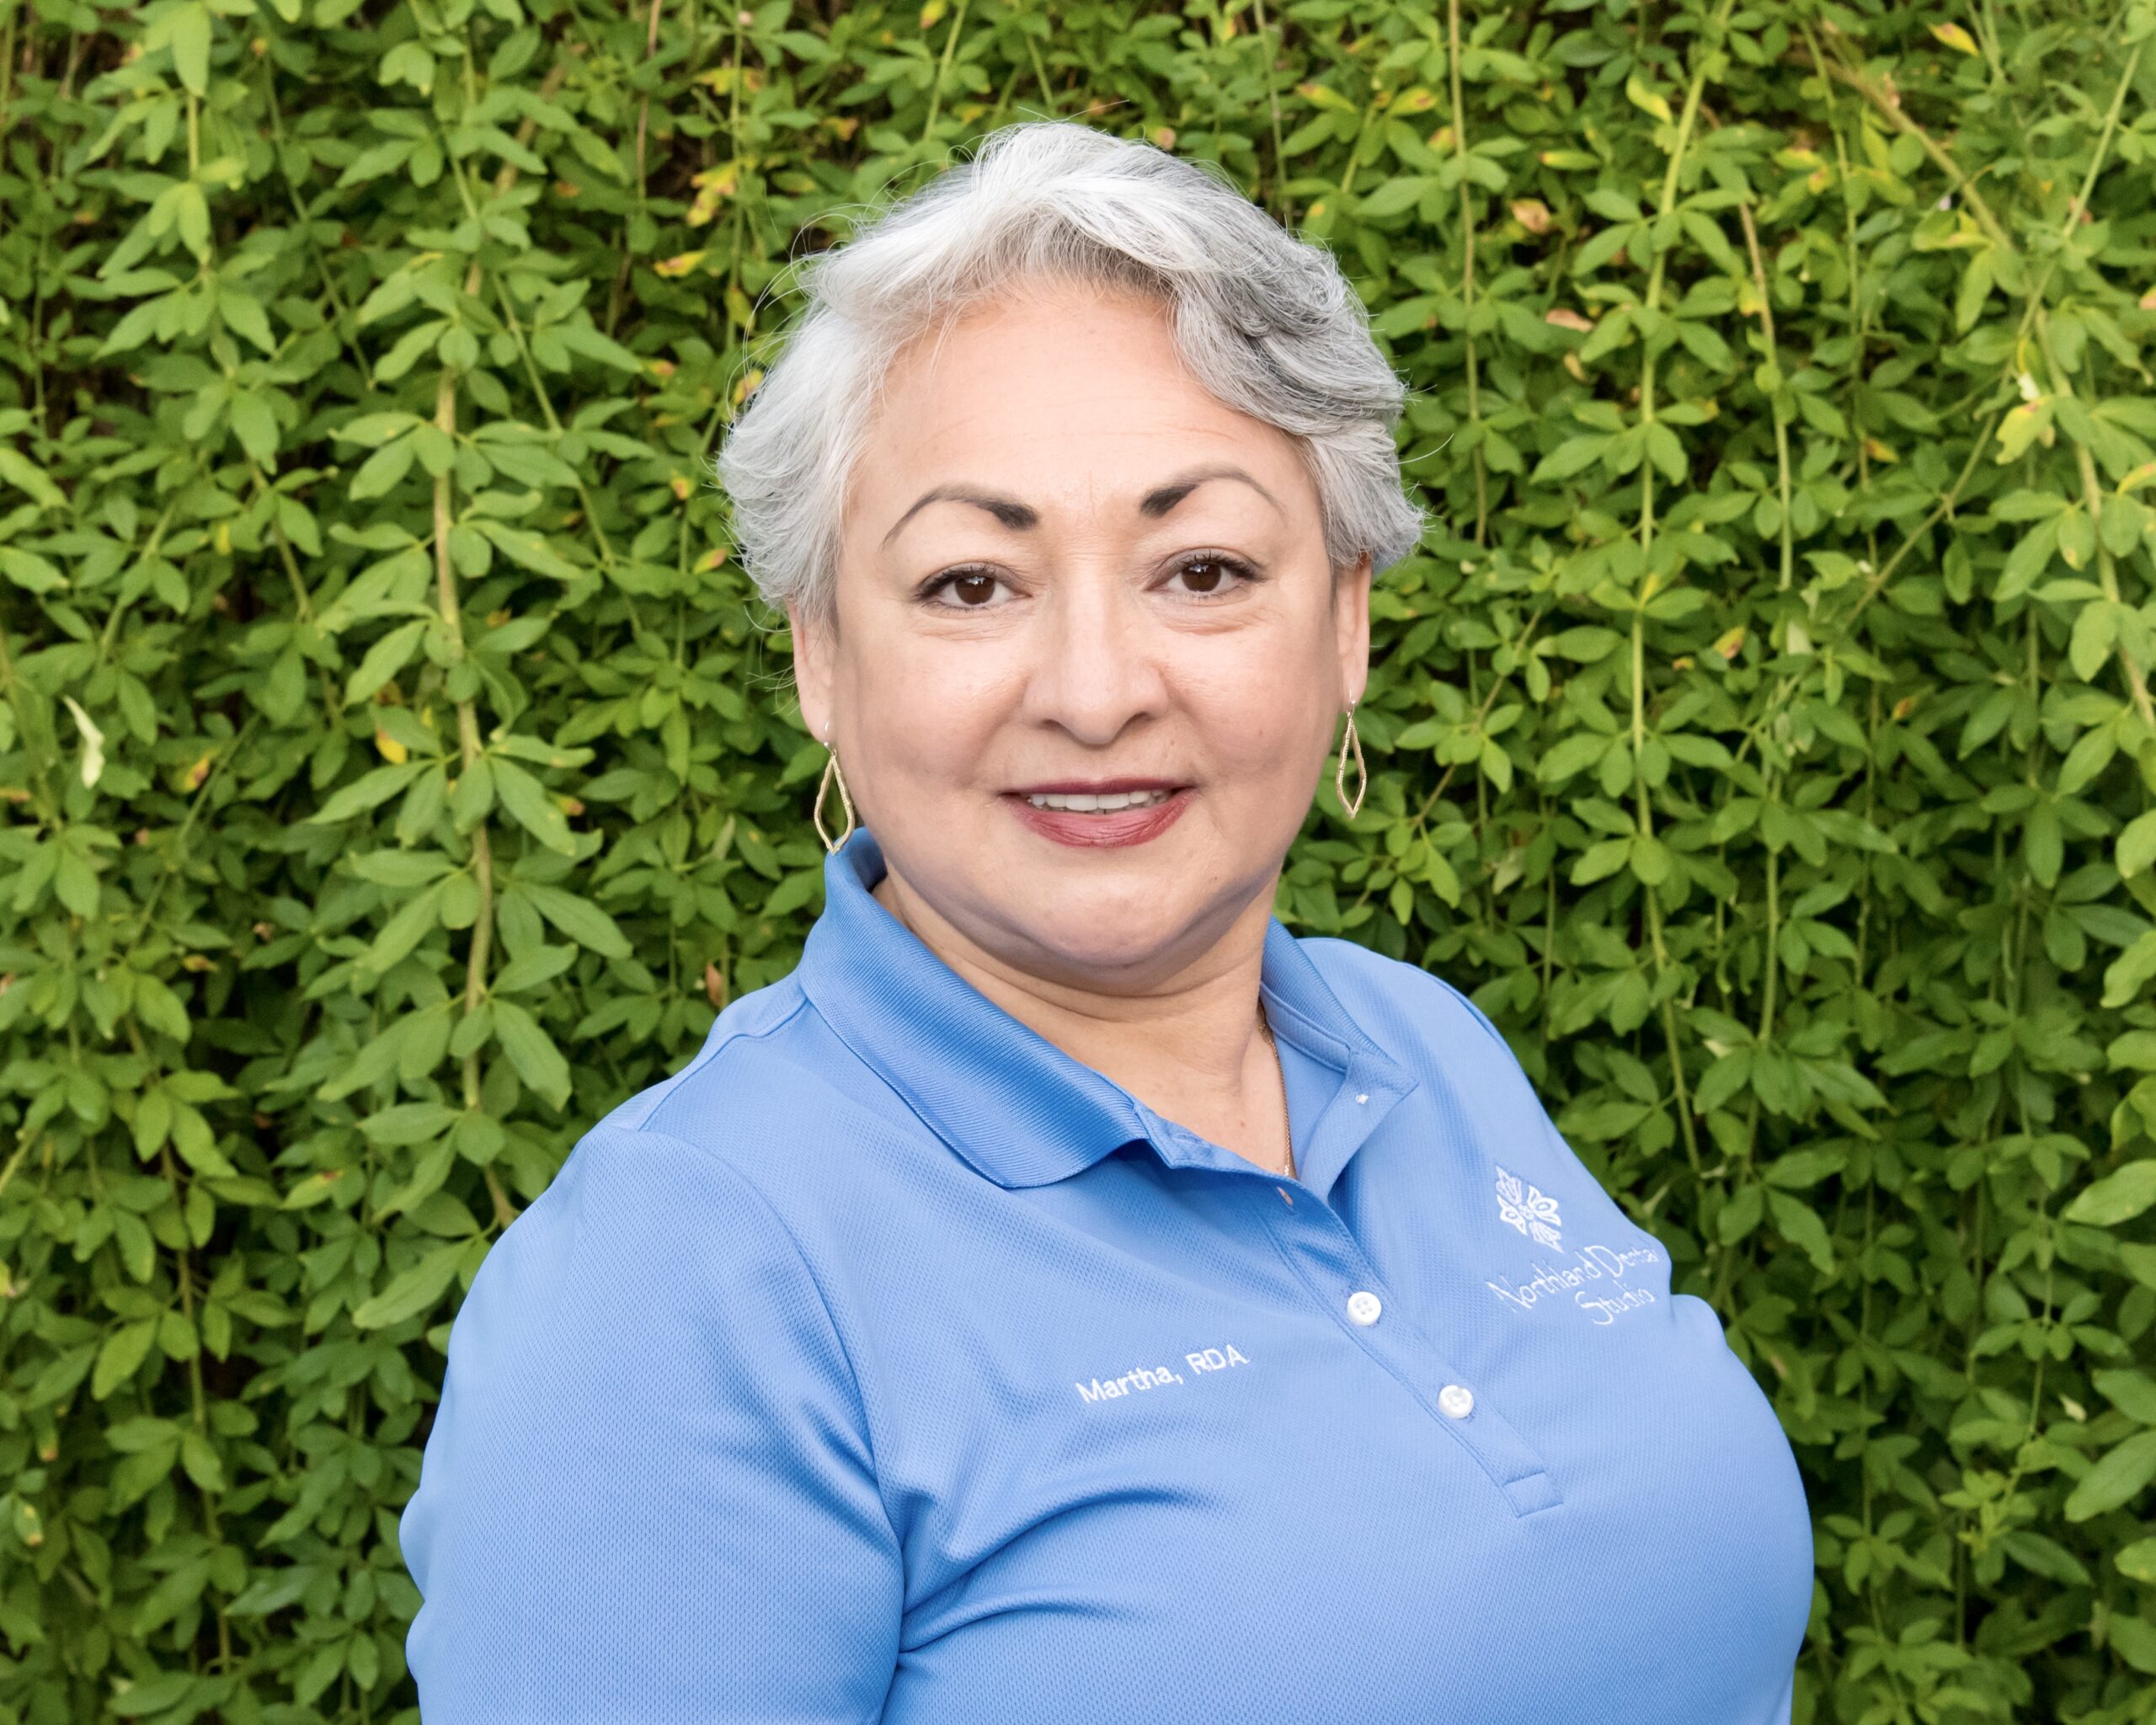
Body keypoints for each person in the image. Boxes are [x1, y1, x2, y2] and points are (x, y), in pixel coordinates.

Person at [397, 119, 1813, 1723]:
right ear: (820, 659)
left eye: (1201, 568)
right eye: (969, 585)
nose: (1094, 691)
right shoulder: (685, 1279)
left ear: (1345, 622)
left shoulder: (1422, 1046)